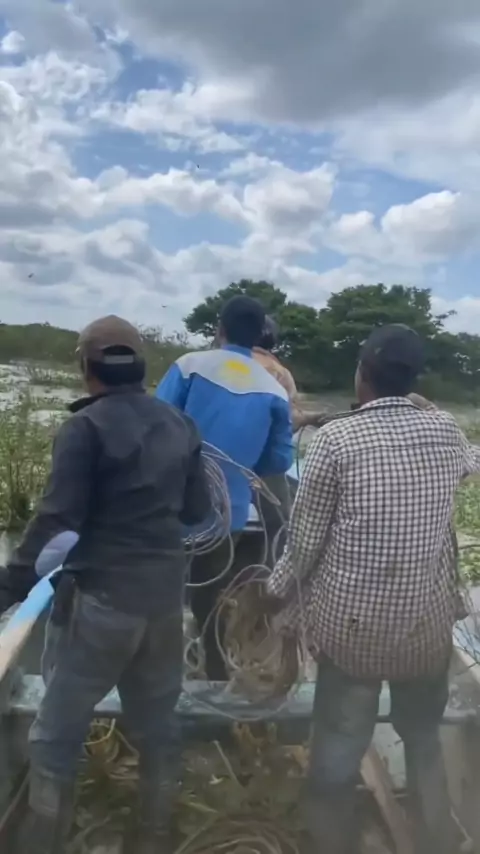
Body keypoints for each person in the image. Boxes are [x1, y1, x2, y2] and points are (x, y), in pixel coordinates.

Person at [0, 316, 211, 854]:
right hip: (165, 601)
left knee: (53, 738)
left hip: (103, 603)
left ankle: (42, 842)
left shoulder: (84, 428)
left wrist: (11, 586)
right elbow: (196, 510)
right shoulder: (181, 425)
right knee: (157, 728)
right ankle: (154, 837)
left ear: (85, 367)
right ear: (140, 365)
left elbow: (57, 526)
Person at [267, 323, 480, 854]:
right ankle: (437, 837)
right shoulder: (445, 431)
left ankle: (330, 841)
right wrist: (428, 412)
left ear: (361, 374)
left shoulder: (335, 439)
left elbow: (305, 545)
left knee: (340, 746)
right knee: (424, 738)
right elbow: (470, 464)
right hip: (426, 627)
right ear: (413, 380)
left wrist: (273, 592)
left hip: (352, 631)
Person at [156, 296, 293, 680]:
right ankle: (216, 672)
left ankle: (156, 672)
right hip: (225, 519)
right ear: (260, 335)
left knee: (159, 592)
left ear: (220, 328)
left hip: (167, 509)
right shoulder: (274, 389)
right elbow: (278, 461)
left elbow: (154, 425)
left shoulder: (189, 366)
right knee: (209, 599)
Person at [252, 315, 329, 565]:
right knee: (281, 525)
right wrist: (309, 418)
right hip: (262, 466)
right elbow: (286, 424)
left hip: (215, 460)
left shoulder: (217, 363)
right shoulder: (278, 373)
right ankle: (273, 573)